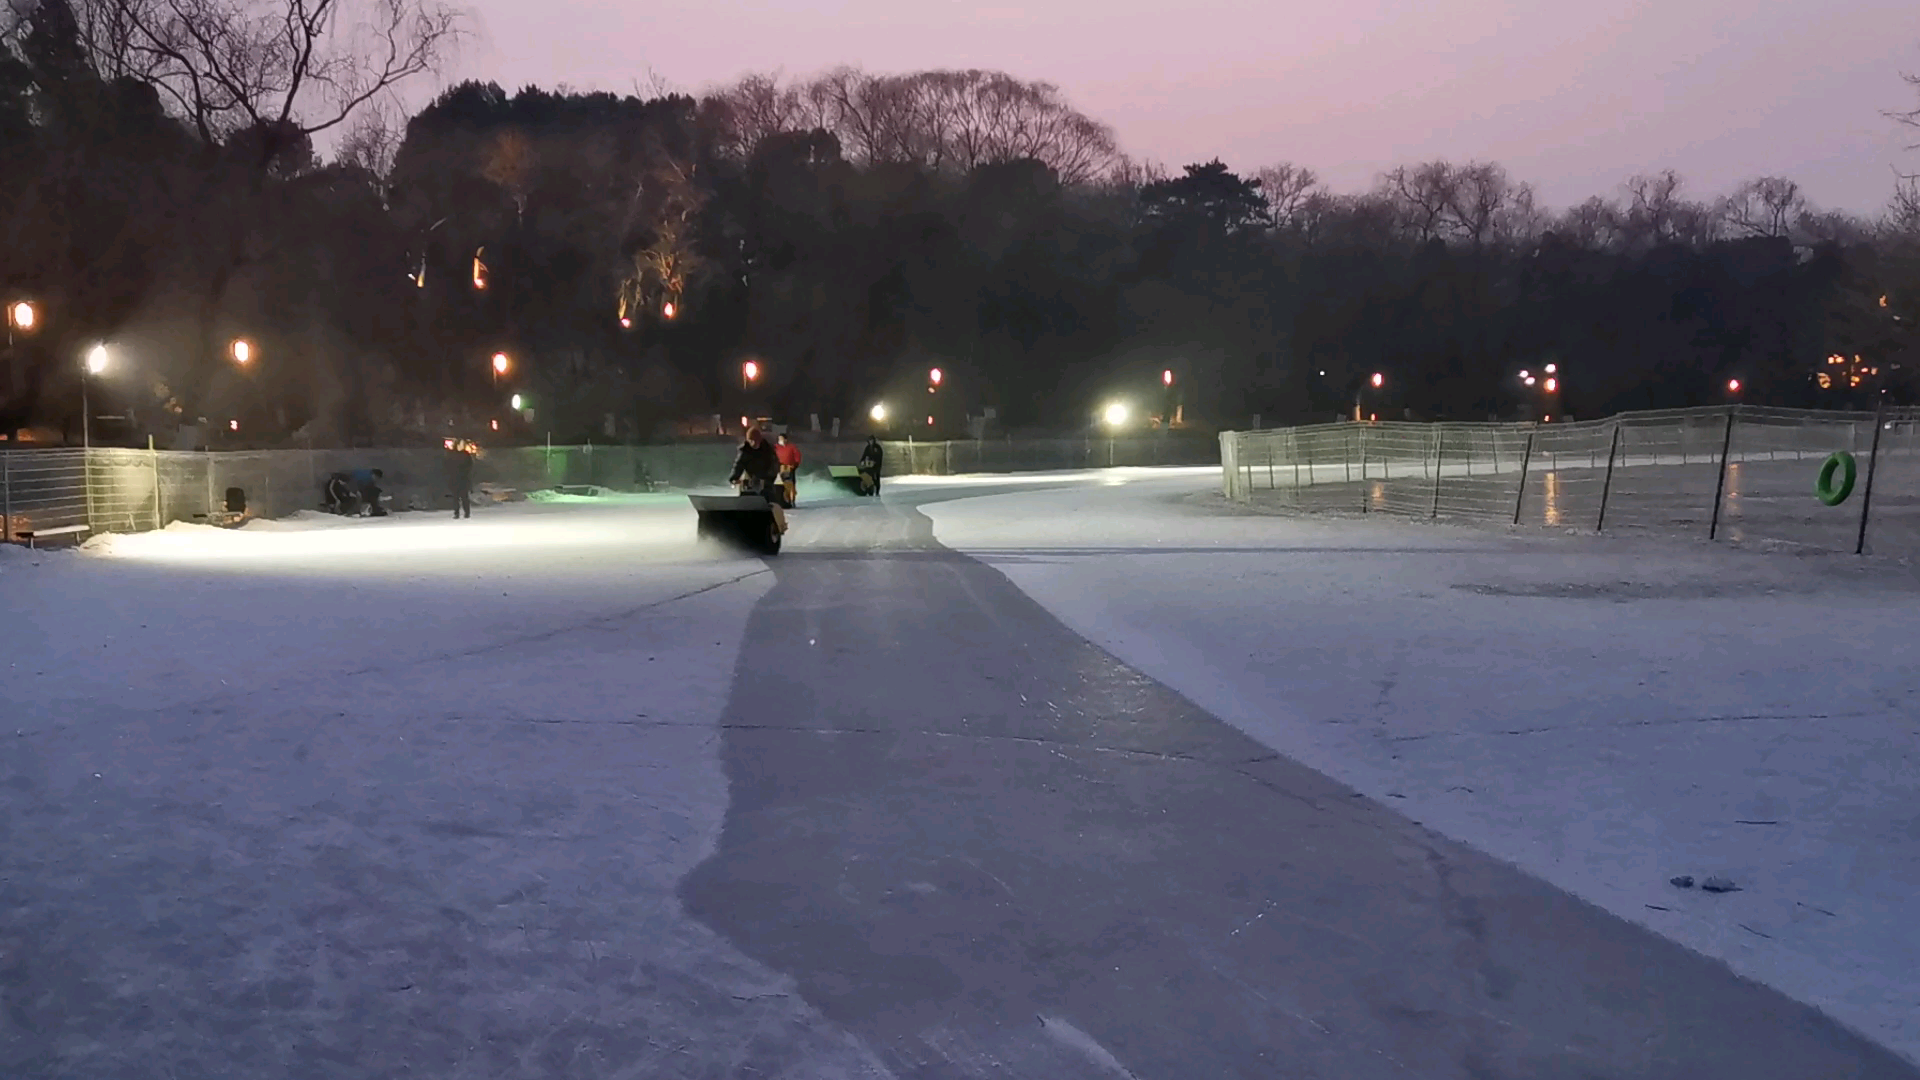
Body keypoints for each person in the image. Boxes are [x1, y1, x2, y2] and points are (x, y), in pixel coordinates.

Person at [729, 426, 788, 533]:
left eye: (756, 441)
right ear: (748, 440)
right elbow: (738, 465)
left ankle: (778, 526)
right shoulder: (744, 451)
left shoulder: (768, 449)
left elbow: (775, 466)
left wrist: (768, 478)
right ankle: (742, 525)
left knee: (770, 500)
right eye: (751, 441)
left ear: (760, 440)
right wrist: (734, 478)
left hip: (766, 476)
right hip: (750, 476)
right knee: (745, 499)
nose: (754, 443)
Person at [447, 439, 476, 519]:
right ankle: (456, 513)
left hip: (464, 478)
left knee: (464, 497)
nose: (463, 445)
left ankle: (467, 512)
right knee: (455, 497)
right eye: (461, 444)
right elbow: (447, 466)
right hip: (454, 478)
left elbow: (470, 466)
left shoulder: (466, 454)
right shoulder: (451, 454)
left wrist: (467, 473)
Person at [774, 432, 802, 507]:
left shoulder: (792, 447)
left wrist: (795, 464)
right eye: (779, 439)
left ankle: (792, 500)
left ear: (786, 439)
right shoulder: (776, 447)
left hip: (790, 468)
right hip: (780, 468)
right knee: (780, 485)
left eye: (781, 439)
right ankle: (782, 499)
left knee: (790, 484)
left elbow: (797, 456)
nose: (780, 440)